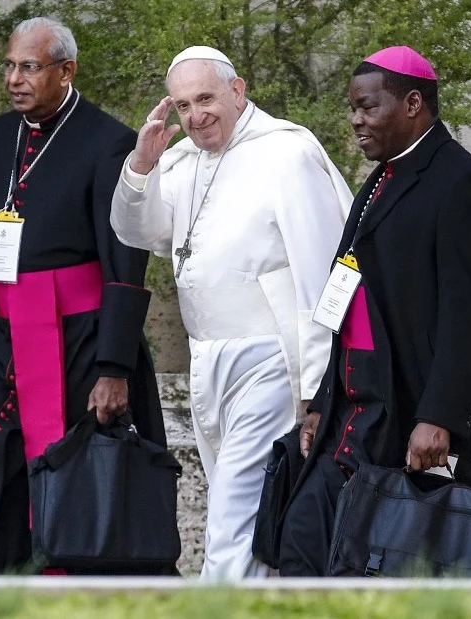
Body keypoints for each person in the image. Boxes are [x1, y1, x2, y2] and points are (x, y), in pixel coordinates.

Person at [279, 46, 471, 578]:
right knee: (304, 541)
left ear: (413, 102)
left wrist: (439, 417)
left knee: (464, 562)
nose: (355, 120)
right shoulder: (381, 178)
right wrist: (322, 402)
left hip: (413, 413)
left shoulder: (463, 183)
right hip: (357, 414)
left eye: (368, 107)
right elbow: (348, 302)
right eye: (353, 108)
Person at [0, 17, 165, 575]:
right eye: (9, 65)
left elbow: (125, 263)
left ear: (66, 71)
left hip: (78, 342)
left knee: (71, 479)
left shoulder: (110, 142)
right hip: (5, 337)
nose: (14, 78)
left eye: (29, 66)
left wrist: (114, 367)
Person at [111, 45, 352, 579]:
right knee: (242, 511)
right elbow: (138, 230)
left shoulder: (286, 153)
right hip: (209, 360)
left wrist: (317, 387)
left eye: (206, 99)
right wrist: (141, 164)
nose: (196, 117)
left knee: (232, 519)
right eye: (182, 106)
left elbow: (321, 276)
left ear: (237, 90)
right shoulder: (182, 161)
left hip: (270, 360)